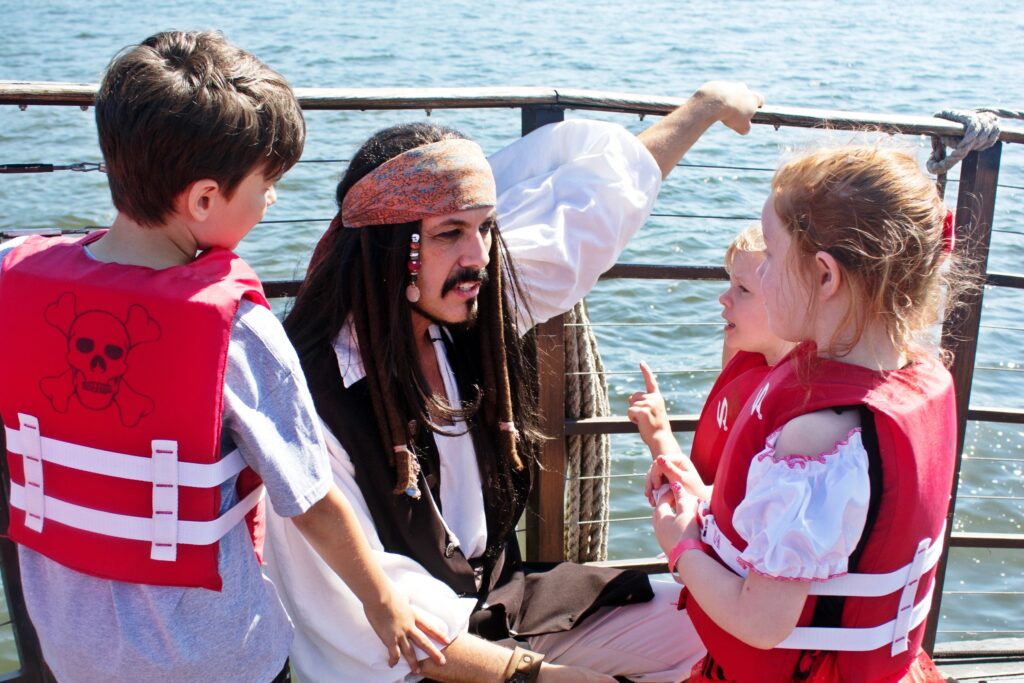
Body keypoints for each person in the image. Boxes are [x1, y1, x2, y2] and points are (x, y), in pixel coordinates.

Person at [265, 82, 763, 682]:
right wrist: (544, 677)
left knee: (714, 630)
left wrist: (704, 108)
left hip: (503, 608)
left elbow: (594, 209)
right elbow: (384, 635)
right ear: (388, 246)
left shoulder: (464, 310)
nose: (478, 256)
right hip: (411, 669)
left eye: (484, 228)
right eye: (450, 232)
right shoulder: (313, 399)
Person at [0, 31, 444, 683]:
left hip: (73, 651)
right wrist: (384, 604)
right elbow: (311, 499)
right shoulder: (234, 330)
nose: (273, 201)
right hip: (218, 659)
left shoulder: (12, 278)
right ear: (204, 199)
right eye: (268, 184)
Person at [648, 145, 963, 682]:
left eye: (771, 256)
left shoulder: (817, 438)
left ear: (824, 276)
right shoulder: (915, 375)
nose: (764, 272)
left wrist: (680, 543)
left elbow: (761, 621)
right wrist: (703, 504)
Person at [628, 223, 793, 484]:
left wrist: (660, 436)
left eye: (743, 289)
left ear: (788, 303)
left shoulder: (789, 411)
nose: (723, 297)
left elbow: (709, 502)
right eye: (730, 283)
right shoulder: (747, 358)